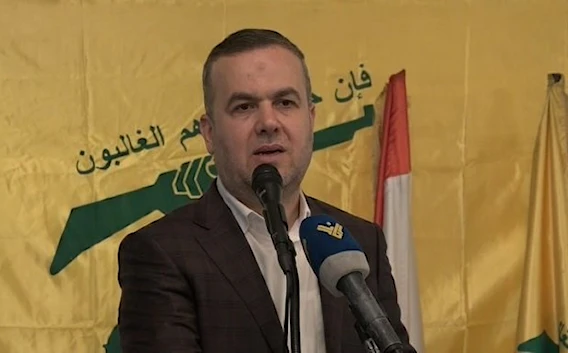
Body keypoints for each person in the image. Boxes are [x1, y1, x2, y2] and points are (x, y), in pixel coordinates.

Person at [117, 28, 417, 353]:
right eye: (244, 107)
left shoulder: (360, 241)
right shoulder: (161, 252)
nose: (268, 122)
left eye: (285, 102)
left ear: (311, 119)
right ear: (209, 133)